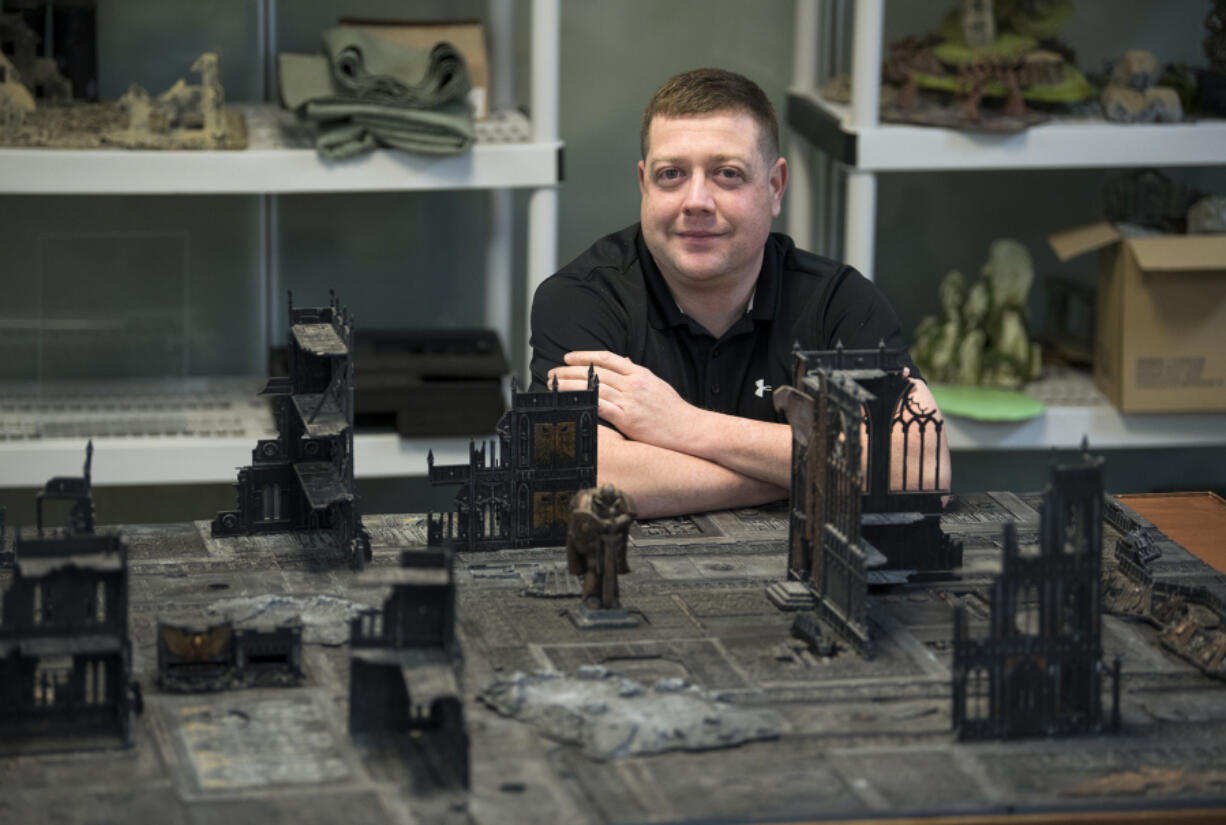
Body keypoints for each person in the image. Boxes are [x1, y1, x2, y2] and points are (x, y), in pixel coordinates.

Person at [530, 68, 949, 519]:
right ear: (643, 184)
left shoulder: (837, 302)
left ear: (774, 187)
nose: (696, 201)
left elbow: (921, 470)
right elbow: (577, 474)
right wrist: (813, 472)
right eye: (671, 174)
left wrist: (686, 426)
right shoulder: (582, 300)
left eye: (727, 174)